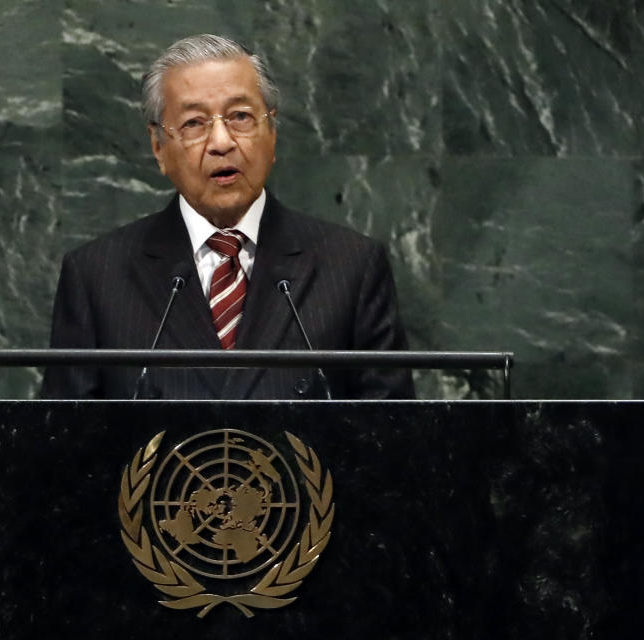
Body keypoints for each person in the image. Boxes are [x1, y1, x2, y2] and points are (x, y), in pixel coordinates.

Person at [41, 34, 414, 400]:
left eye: (240, 117)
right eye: (194, 123)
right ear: (159, 147)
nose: (221, 142)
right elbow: (65, 445)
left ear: (272, 132)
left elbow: (392, 439)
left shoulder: (351, 267)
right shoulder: (97, 277)